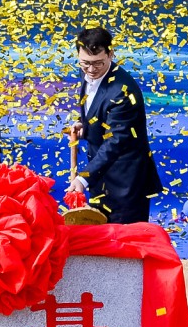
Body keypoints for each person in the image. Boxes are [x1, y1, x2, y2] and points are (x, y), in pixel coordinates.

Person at [69, 26, 161, 224]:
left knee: (125, 239)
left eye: (98, 63)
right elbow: (98, 109)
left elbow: (116, 141)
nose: (91, 70)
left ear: (111, 54)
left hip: (126, 183)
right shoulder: (87, 70)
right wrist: (86, 126)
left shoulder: (123, 92)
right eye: (85, 63)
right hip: (100, 177)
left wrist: (83, 178)